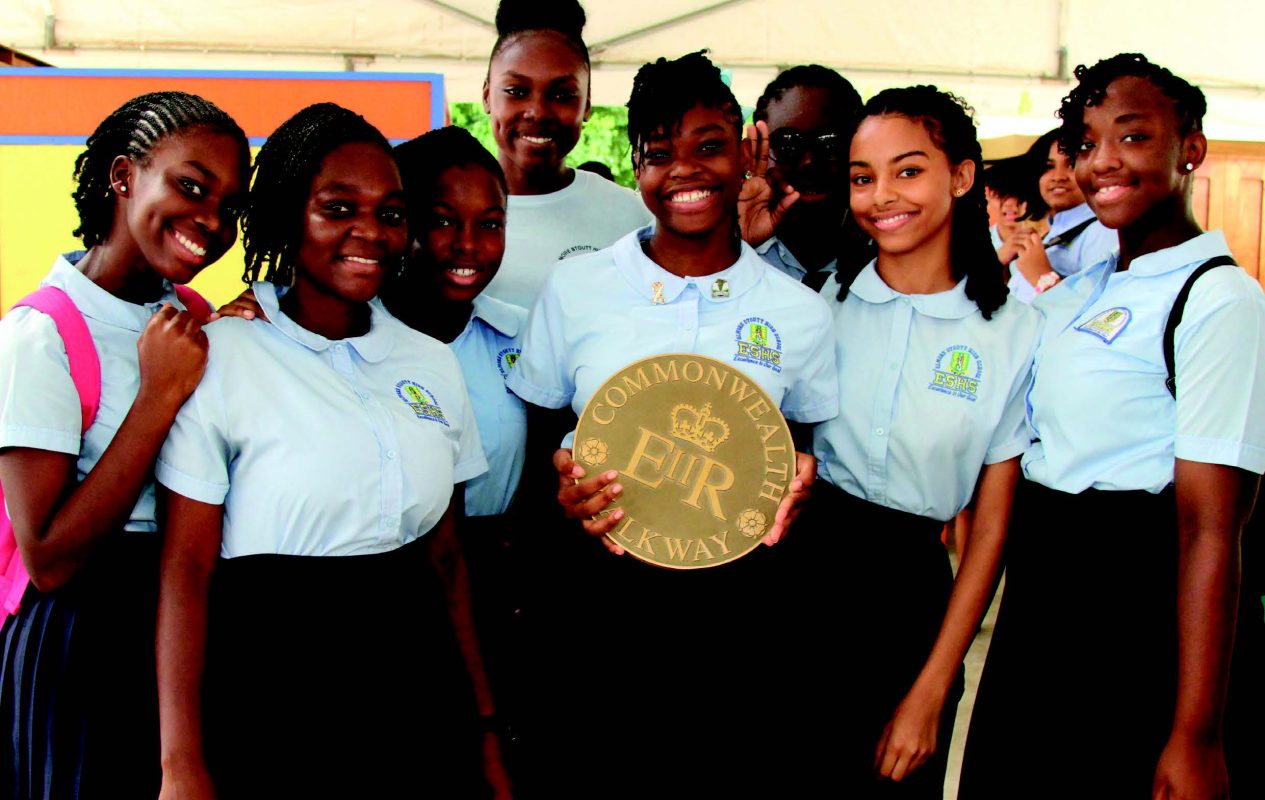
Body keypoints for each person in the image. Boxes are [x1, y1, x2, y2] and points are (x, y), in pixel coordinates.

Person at [505, 51, 836, 797]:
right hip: (598, 607)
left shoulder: (797, 312)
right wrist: (559, 500)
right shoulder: (579, 285)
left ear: (744, 148)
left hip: (740, 618)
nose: (685, 172)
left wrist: (800, 481)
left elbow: (803, 448)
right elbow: (537, 435)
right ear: (636, 165)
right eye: (659, 155)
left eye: (707, 146)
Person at [154, 103, 498, 798]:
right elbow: (186, 570)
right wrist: (180, 761)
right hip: (277, 703)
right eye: (338, 207)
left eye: (392, 212)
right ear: (287, 214)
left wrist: (485, 733)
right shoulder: (222, 356)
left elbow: (447, 559)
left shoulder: (430, 363)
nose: (369, 231)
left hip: (420, 697)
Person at [960, 54, 1265, 800]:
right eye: (1087, 143)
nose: (1102, 164)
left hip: (1134, 614)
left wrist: (1196, 733)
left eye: (1130, 138)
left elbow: (1208, 530)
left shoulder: (1217, 298)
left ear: (1187, 147)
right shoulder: (1084, 284)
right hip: (1045, 600)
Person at [787, 86, 1040, 798]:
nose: (880, 196)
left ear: (961, 176)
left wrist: (931, 688)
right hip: (798, 584)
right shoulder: (818, 307)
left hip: (910, 603)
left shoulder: (1013, 333)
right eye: (862, 177)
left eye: (907, 170)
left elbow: (988, 529)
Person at [0, 91, 248, 799]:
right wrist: (157, 397)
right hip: (83, 643)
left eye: (228, 206)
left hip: (184, 624)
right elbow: (47, 557)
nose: (210, 221)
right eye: (191, 187)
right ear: (122, 177)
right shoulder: (40, 333)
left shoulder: (192, 317)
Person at [379, 125, 528, 768]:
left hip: (507, 592)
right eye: (442, 221)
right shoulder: (358, 340)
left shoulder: (523, 338)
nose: (469, 246)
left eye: (490, 223)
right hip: (393, 592)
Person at [480, 0, 652, 309]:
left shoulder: (632, 217)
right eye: (517, 91)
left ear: (586, 105)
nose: (537, 112)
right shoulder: (443, 216)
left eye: (562, 95)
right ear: (486, 96)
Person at [741, 64, 864, 290]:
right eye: (788, 144)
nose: (809, 162)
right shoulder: (728, 257)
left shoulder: (886, 259)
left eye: (831, 143)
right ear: (753, 154)